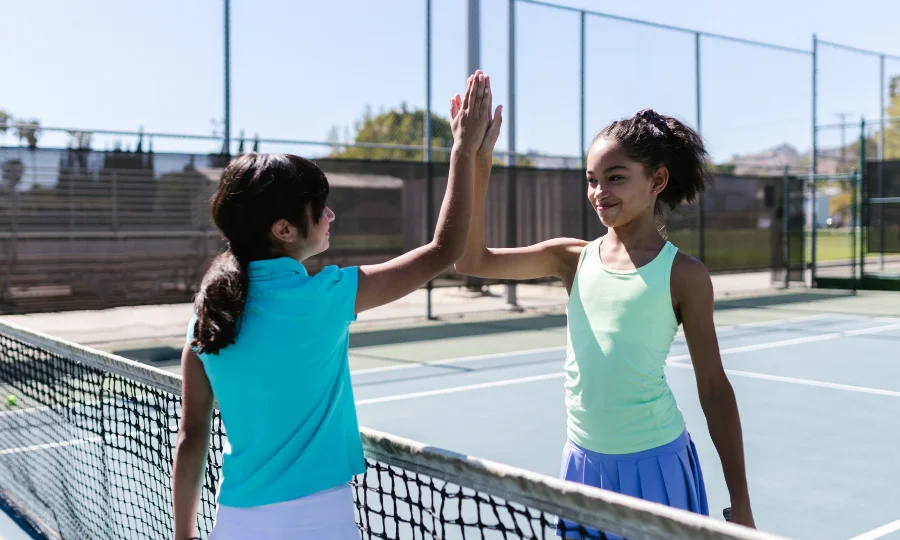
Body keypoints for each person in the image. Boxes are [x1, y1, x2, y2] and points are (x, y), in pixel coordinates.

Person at [171, 70, 501, 540]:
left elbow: (191, 439)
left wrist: (184, 537)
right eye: (319, 208)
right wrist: (463, 151)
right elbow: (445, 251)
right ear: (283, 229)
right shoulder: (327, 296)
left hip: (235, 521)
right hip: (319, 520)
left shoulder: (205, 320)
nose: (330, 215)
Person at [453, 108, 756, 536]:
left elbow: (714, 387)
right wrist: (477, 157)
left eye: (615, 177)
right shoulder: (570, 259)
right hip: (581, 466)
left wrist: (740, 501)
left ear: (657, 181)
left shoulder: (684, 275)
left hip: (656, 465)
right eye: (592, 179)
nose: (599, 191)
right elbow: (470, 259)